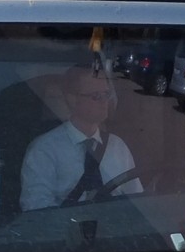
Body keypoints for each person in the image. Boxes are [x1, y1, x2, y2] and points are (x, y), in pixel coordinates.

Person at [20, 64, 143, 210]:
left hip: (117, 228)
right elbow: (36, 208)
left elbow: (137, 200)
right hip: (67, 230)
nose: (104, 102)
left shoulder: (117, 146)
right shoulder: (44, 149)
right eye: (96, 96)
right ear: (72, 99)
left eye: (106, 94)